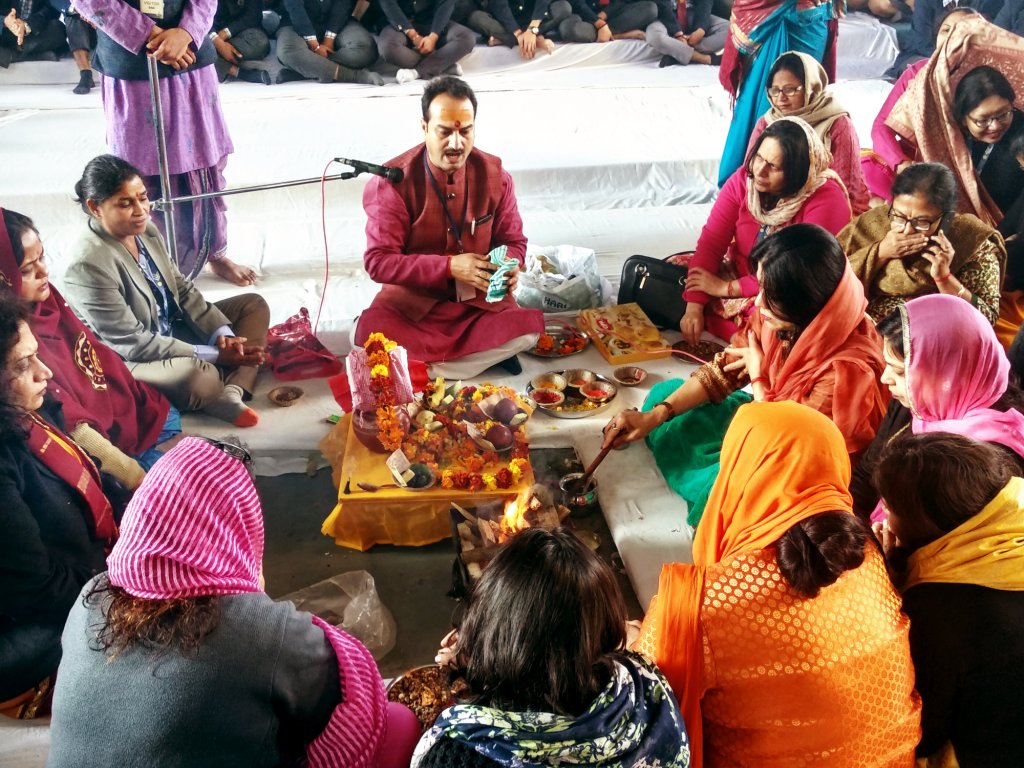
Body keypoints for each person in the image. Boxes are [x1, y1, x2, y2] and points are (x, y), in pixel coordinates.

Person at [47, 435, 420, 767]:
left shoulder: (92, 594)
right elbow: (332, 702)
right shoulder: (260, 631)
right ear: (236, 525)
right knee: (399, 723)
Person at [631, 401, 921, 768]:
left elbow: (643, 699)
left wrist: (634, 646)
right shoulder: (868, 559)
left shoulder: (702, 604)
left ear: (740, 472)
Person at [606, 224, 888, 528]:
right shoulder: (777, 312)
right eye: (761, 287)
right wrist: (657, 416)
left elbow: (795, 451)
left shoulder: (848, 369)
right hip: (766, 416)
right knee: (666, 396)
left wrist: (758, 378)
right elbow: (722, 372)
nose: (757, 303)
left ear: (806, 307)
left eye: (769, 296)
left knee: (729, 491)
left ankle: (711, 490)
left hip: (793, 464)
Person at [413, 527, 691, 768]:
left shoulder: (458, 753)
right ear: (604, 627)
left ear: (487, 625)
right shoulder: (647, 687)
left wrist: (478, 661)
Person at [356, 77, 544, 379]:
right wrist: (449, 267)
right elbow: (378, 263)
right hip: (411, 307)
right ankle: (458, 364)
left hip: (478, 304)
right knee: (368, 337)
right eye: (445, 132)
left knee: (527, 333)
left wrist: (506, 265)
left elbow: (513, 241)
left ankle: (417, 369)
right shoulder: (392, 182)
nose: (456, 144)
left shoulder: (496, 175)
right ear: (424, 127)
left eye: (465, 131)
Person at [62, 154, 270, 428]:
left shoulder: (145, 230)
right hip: (132, 359)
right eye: (125, 203)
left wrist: (224, 337)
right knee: (198, 377)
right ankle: (221, 383)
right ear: (95, 207)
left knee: (253, 306)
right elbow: (132, 342)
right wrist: (213, 355)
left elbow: (181, 288)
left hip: (169, 330)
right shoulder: (87, 264)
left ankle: (231, 392)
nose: (141, 210)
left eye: (143, 197)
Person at [75, 0, 256, 285]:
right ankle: (151, 265)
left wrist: (185, 34)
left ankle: (213, 253)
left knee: (205, 163)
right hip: (131, 59)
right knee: (139, 173)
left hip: (191, 56)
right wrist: (152, 37)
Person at [875, 432, 1024, 767]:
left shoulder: (938, 608)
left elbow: (925, 735)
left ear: (924, 521)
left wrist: (891, 592)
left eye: (889, 507)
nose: (884, 519)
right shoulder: (1012, 521)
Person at [0, 208, 176, 491]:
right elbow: (65, 417)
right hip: (98, 443)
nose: (44, 272)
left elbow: (90, 353)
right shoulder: (13, 342)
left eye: (42, 257)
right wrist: (130, 473)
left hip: (121, 401)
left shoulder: (46, 301)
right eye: (26, 270)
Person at [0, 292, 115, 720]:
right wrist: (127, 585)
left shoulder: (21, 411)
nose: (45, 372)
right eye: (21, 365)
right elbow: (37, 589)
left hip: (74, 574)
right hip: (23, 621)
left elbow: (91, 479)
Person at [850, 293, 1024, 522]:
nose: (885, 379)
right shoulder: (918, 401)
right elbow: (866, 474)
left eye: (900, 371)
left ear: (948, 371)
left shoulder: (986, 461)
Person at [679, 116, 851, 345]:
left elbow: (799, 276)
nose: (759, 171)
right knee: (678, 275)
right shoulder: (744, 181)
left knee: (777, 322)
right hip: (742, 272)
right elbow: (712, 241)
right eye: (759, 157)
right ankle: (740, 334)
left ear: (797, 173)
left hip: (787, 288)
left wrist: (725, 288)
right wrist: (694, 306)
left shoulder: (825, 199)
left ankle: (740, 336)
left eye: (773, 166)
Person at [885, 15, 1024, 228]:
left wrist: (992, 244)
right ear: (962, 119)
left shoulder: (1020, 138)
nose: (995, 125)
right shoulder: (947, 141)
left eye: (1004, 114)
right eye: (983, 120)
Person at [839, 162, 1004, 325]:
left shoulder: (971, 240)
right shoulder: (874, 222)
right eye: (899, 217)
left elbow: (986, 319)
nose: (907, 230)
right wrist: (880, 252)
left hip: (929, 339)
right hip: (860, 325)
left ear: (946, 219)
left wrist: (944, 278)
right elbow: (830, 277)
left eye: (922, 222)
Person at [862, 7, 981, 204]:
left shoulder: (986, 80)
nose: (952, 36)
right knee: (865, 170)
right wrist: (901, 164)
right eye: (946, 30)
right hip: (913, 164)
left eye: (962, 30)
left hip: (964, 169)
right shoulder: (918, 73)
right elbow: (881, 126)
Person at [716, 0, 840, 186]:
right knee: (769, 103)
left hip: (812, 20)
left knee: (803, 101)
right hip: (776, 20)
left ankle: (793, 178)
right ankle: (753, 178)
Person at [746, 51, 870, 213]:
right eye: (775, 90)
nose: (780, 98)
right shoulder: (767, 121)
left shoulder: (836, 123)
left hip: (825, 204)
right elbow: (749, 170)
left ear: (812, 87)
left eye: (790, 90)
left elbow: (845, 185)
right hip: (773, 204)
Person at [276, 0, 383, 84]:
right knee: (287, 51)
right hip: (295, 23)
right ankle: (355, 76)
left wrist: (328, 40)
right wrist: (315, 46)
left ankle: (303, 70)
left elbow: (342, 4)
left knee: (366, 48)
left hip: (337, 21)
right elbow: (294, 7)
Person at [376, 0, 476, 84]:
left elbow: (446, 3)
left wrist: (433, 36)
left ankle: (418, 72)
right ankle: (443, 66)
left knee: (466, 37)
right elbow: (389, 5)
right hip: (401, 23)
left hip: (432, 21)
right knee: (387, 47)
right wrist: (413, 35)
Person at [458, 0, 563, 58]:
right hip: (505, 20)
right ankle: (536, 40)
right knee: (476, 17)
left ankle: (505, 38)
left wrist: (532, 29)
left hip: (532, 18)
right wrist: (517, 32)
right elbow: (499, 5)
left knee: (563, 7)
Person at [645, 0, 727, 68]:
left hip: (693, 12)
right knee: (654, 37)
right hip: (665, 15)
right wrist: (678, 34)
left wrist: (701, 29)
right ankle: (705, 59)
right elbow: (661, 4)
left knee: (731, 30)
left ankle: (676, 54)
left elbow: (705, 2)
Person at [211, 0, 273, 84]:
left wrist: (227, 32)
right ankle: (238, 72)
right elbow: (198, 17)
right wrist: (216, 41)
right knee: (193, 49)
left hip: (243, 29)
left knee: (260, 41)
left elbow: (254, 15)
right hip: (209, 34)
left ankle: (219, 60)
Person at [49, 0, 97, 94]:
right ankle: (86, 74)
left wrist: (93, 11)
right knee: (72, 17)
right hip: (79, 17)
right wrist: (76, 9)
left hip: (104, 18)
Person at [0, 0, 65, 68]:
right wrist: (5, 21)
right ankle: (26, 55)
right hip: (6, 29)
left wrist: (27, 26)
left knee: (57, 28)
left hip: (33, 31)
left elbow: (52, 10)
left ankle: (9, 54)